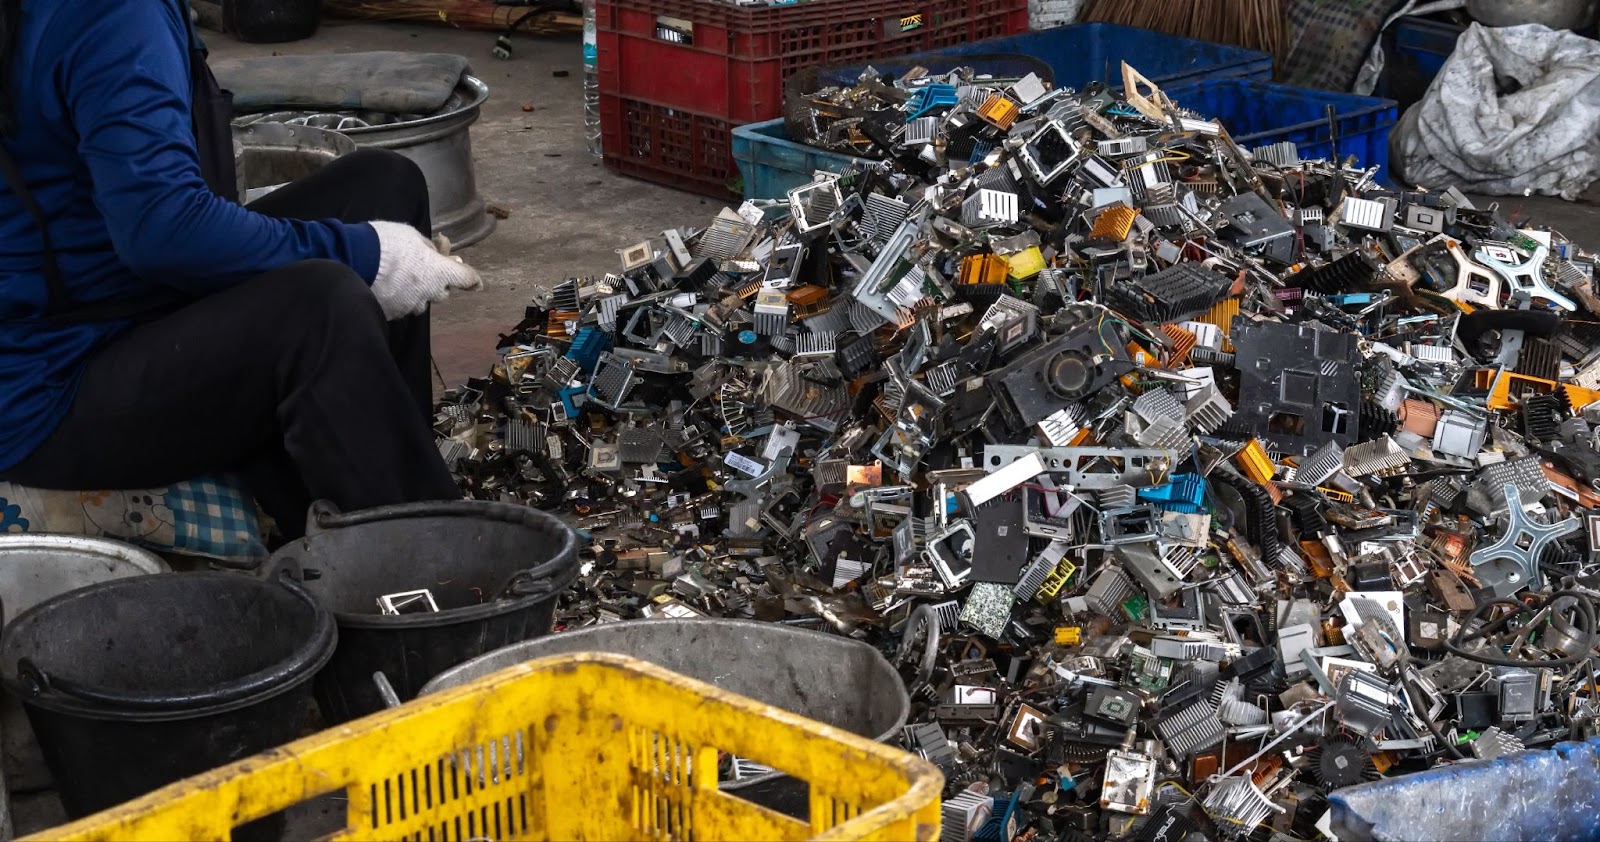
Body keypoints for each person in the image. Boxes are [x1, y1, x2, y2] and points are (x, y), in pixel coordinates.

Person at [0, 0, 478, 539]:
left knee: (384, 186)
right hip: (48, 385)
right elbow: (166, 231)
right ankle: (429, 570)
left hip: (118, 299)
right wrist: (371, 257)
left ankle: (388, 489)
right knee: (320, 310)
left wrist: (367, 243)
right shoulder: (111, 12)